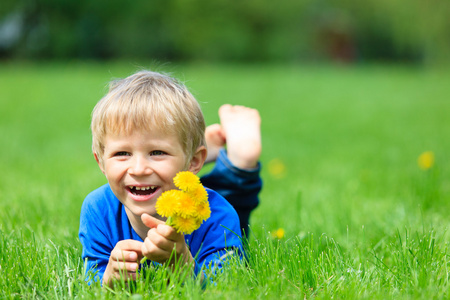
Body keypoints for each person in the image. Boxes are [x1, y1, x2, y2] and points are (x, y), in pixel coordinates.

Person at [78, 70, 262, 287]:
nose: (138, 169)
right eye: (122, 153)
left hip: (206, 206)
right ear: (101, 162)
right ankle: (188, 150)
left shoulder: (219, 216)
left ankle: (240, 161)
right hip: (175, 175)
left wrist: (182, 264)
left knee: (232, 197)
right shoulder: (98, 209)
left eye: (157, 152)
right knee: (173, 181)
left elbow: (224, 288)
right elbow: (91, 279)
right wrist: (108, 279)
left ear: (195, 161)